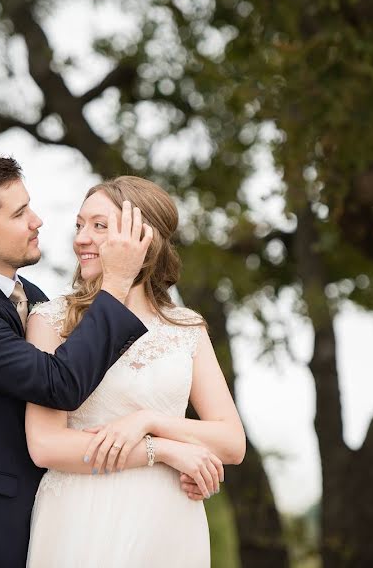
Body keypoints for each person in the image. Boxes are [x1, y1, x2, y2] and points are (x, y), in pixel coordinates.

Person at [0, 155, 154, 568]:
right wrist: (115, 283)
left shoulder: (35, 298)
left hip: (53, 522)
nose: (37, 220)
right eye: (20, 213)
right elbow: (58, 384)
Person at [24, 176, 246, 567]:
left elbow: (231, 442)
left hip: (168, 519)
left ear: (144, 239)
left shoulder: (186, 327)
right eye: (80, 225)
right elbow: (46, 446)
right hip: (82, 515)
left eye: (100, 226)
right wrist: (164, 450)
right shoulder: (51, 320)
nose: (81, 239)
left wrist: (147, 421)